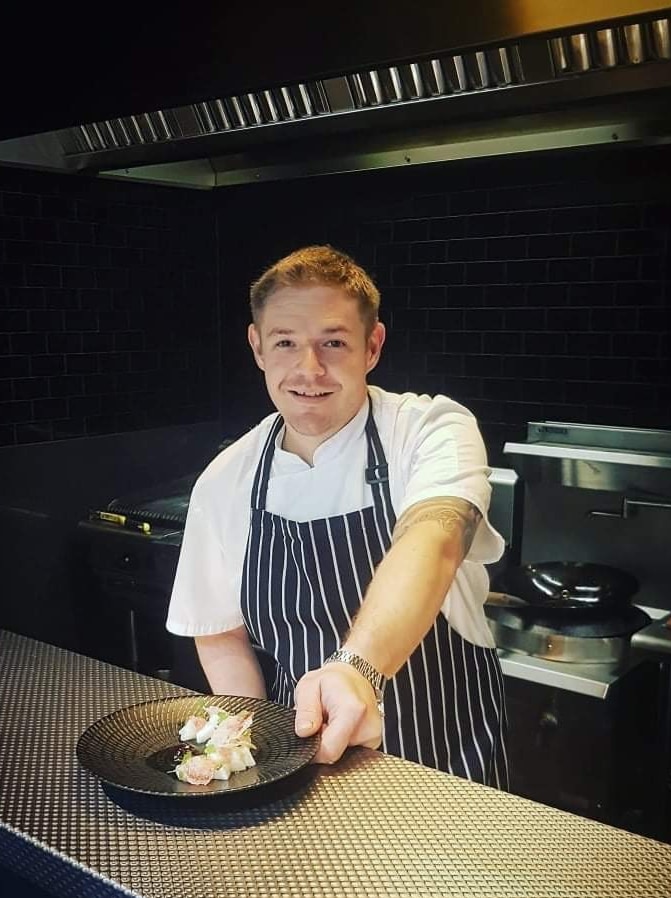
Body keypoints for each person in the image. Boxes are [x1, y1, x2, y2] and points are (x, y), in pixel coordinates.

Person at [166, 245, 508, 787]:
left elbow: (436, 535)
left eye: (334, 342)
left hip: (444, 763)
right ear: (257, 347)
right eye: (285, 343)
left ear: (372, 346)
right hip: (303, 768)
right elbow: (219, 633)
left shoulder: (428, 429)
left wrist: (358, 668)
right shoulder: (226, 480)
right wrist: (252, 760)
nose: (309, 369)